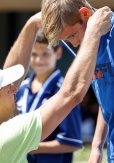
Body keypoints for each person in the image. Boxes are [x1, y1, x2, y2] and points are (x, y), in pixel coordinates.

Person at [0, 7, 112, 163]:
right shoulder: (8, 135)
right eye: (7, 89)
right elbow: (71, 93)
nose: (14, 88)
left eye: (45, 54)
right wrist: (93, 33)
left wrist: (32, 24)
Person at [41, 0, 114, 163]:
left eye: (73, 35)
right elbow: (107, 99)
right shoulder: (92, 45)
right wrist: (97, 148)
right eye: (68, 41)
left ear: (85, 14)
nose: (74, 44)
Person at [16, 31, 82, 163]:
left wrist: (28, 147)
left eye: (45, 54)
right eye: (33, 54)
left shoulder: (64, 91)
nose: (39, 60)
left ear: (58, 53)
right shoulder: (20, 89)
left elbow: (72, 142)